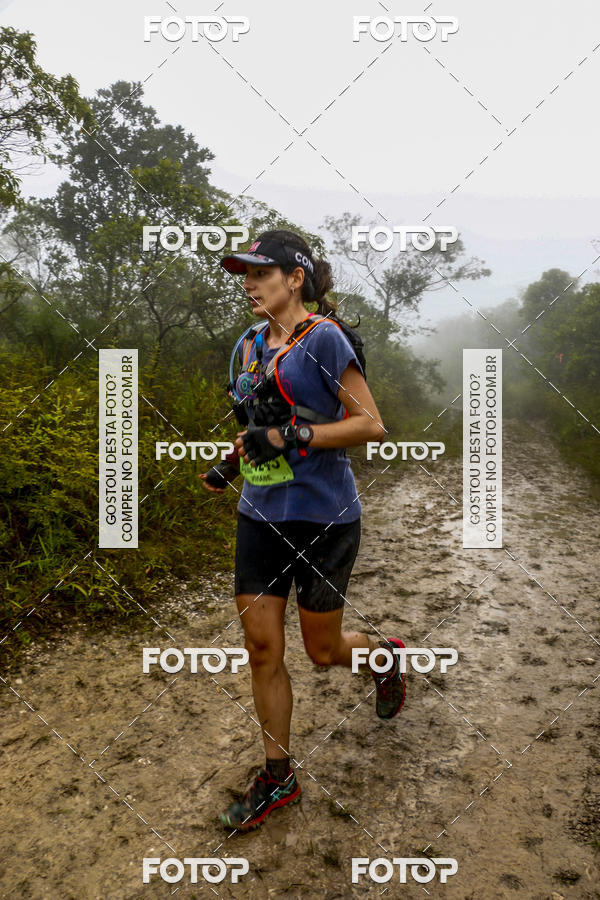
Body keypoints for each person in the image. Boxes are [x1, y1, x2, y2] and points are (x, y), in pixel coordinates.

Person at [200, 230, 406, 832]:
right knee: (262, 648)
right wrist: (234, 462)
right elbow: (261, 422)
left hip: (325, 518)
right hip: (260, 516)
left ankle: (385, 659)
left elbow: (370, 426)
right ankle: (278, 778)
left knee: (321, 652)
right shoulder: (247, 346)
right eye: (243, 274)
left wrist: (294, 438)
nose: (248, 284)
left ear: (296, 278)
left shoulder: (324, 340)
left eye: (261, 273)